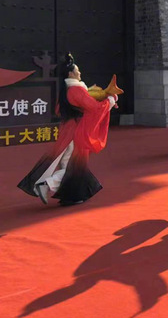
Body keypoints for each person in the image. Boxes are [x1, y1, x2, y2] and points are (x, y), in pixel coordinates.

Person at [17, 53, 117, 206]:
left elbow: (60, 110)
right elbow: (95, 108)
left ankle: (69, 195)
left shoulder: (67, 90)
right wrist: (110, 100)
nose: (80, 73)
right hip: (76, 133)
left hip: (68, 131)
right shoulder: (76, 90)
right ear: (70, 74)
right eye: (77, 70)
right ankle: (47, 184)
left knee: (69, 165)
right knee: (75, 167)